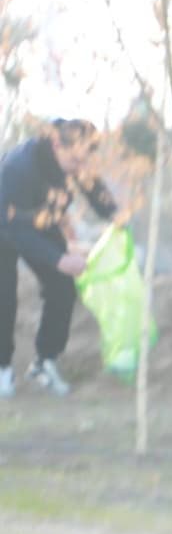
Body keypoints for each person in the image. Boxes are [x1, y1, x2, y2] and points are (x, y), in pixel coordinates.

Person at [0, 118, 116, 399]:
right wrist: (58, 258)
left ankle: (44, 362)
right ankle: (2, 369)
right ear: (56, 145)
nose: (80, 167)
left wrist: (116, 215)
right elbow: (11, 226)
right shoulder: (18, 168)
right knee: (4, 297)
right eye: (76, 161)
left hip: (40, 221)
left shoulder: (75, 159)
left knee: (62, 287)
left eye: (85, 159)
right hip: (5, 223)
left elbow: (95, 191)